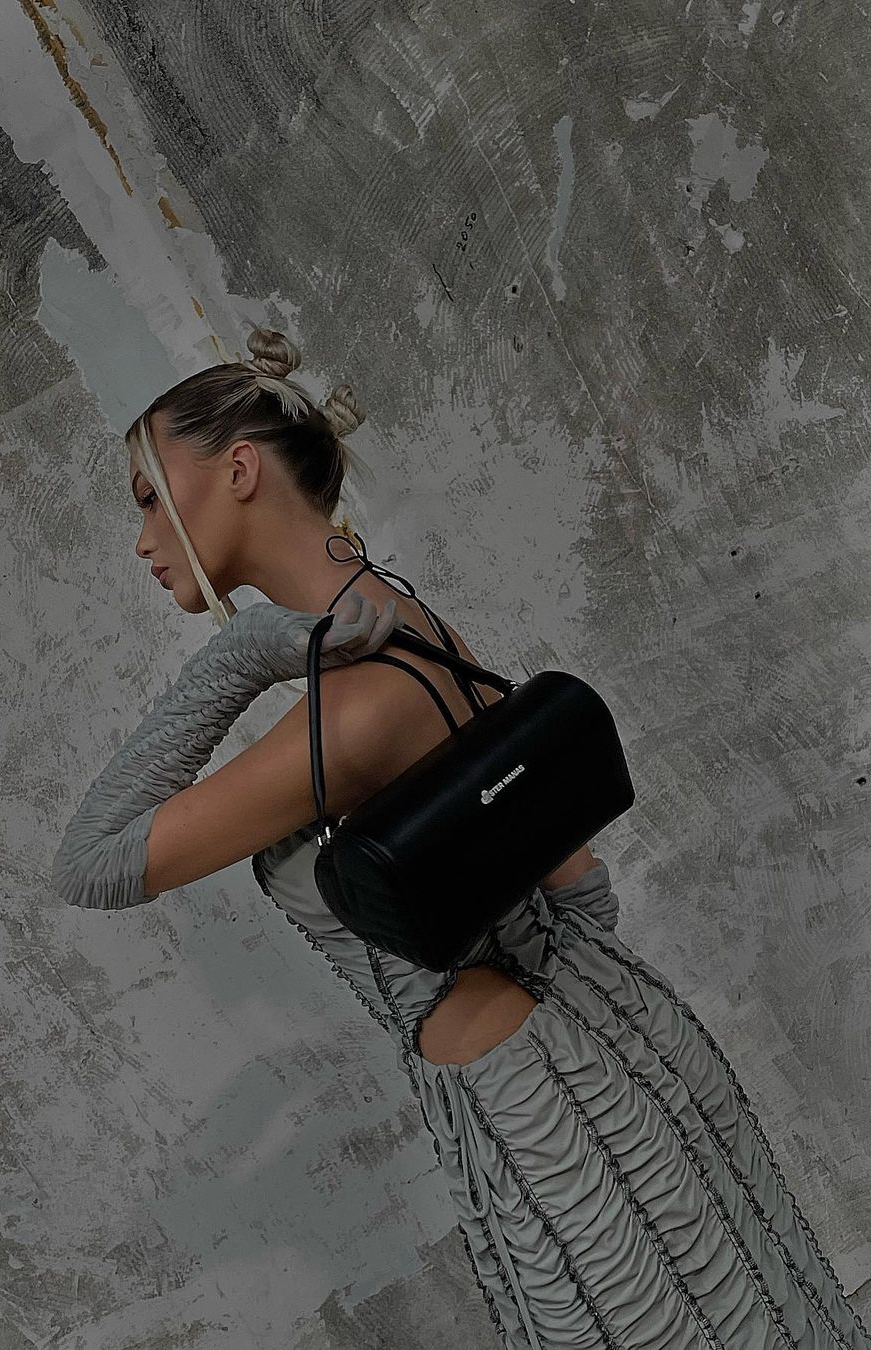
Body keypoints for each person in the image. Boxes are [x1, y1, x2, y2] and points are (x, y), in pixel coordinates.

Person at [51, 327, 870, 1349]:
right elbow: (576, 877)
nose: (141, 538)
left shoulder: (348, 717)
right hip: (623, 1040)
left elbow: (90, 862)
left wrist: (249, 651)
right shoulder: (410, 620)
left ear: (241, 469)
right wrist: (570, 1012)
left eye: (146, 496)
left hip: (538, 1107)